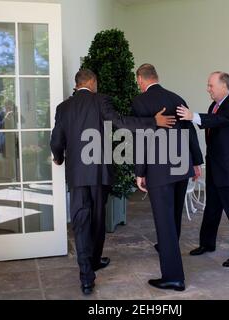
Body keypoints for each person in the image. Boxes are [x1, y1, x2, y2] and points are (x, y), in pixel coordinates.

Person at [50, 69, 176, 295]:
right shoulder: (101, 100)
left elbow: (56, 138)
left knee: (81, 222)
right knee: (98, 219)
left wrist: (58, 157)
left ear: (77, 84)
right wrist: (152, 121)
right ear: (93, 82)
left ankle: (87, 277)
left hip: (77, 175)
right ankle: (95, 260)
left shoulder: (63, 107)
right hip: (100, 173)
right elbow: (121, 123)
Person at [133, 64, 203, 291]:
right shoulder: (177, 98)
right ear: (157, 77)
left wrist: (140, 172)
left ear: (141, 80)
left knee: (164, 222)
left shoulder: (140, 102)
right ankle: (167, 247)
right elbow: (190, 130)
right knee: (173, 217)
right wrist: (196, 161)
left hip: (159, 171)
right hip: (181, 168)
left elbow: (141, 139)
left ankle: (174, 277)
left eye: (138, 82)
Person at [177, 71, 229, 268]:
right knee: (211, 210)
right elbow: (209, 125)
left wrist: (192, 115)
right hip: (216, 169)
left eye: (211, 85)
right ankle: (207, 244)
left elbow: (218, 121)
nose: (208, 89)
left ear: (224, 86)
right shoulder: (214, 106)